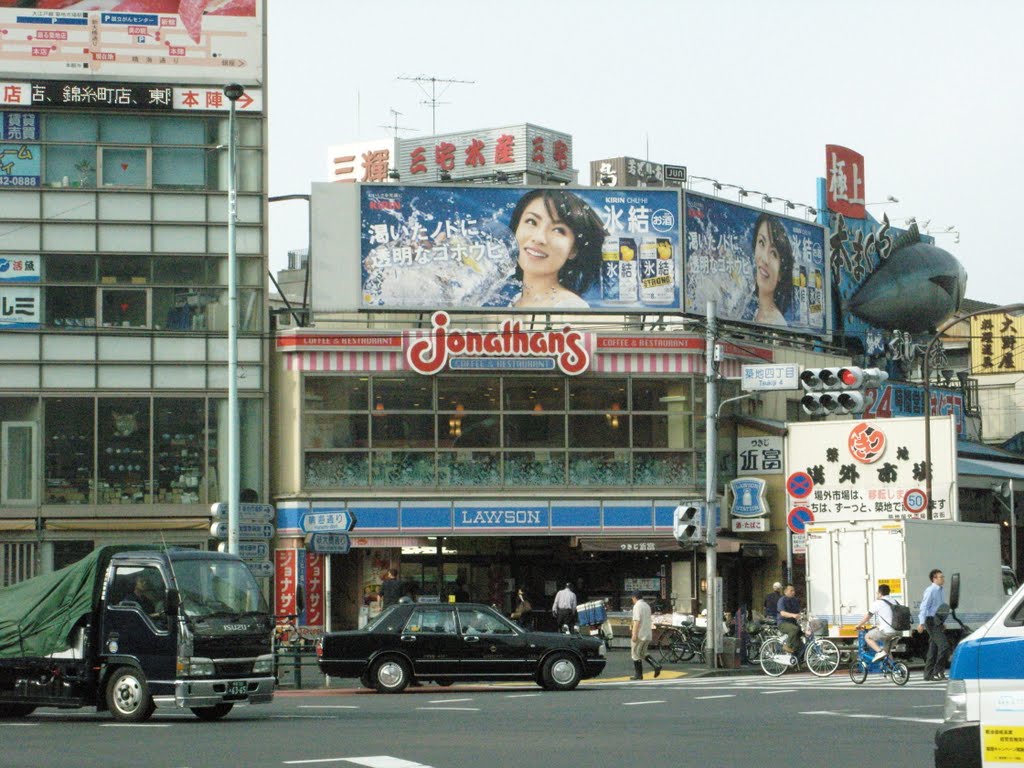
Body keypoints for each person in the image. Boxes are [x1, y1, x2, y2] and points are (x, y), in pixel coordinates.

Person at [508, 189, 605, 309]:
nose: (539, 238)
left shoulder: (570, 306)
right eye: (531, 221)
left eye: (558, 230)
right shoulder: (516, 300)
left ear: (573, 250)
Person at [744, 213, 794, 326]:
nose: (765, 258)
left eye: (774, 254)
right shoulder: (753, 309)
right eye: (761, 242)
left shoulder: (777, 323)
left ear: (781, 272)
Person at [918, 568, 951, 681]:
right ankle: (938, 671)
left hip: (937, 620)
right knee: (944, 646)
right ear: (934, 579)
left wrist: (943, 622)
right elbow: (924, 607)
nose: (943, 579)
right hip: (930, 621)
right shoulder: (931, 590)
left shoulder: (941, 590)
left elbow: (940, 608)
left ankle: (928, 675)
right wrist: (921, 623)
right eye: (940, 577)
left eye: (943, 577)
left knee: (933, 648)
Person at [855, 584, 900, 662]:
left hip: (887, 632)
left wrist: (858, 625)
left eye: (877, 592)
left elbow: (868, 616)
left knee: (867, 637)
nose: (876, 594)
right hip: (898, 632)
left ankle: (880, 652)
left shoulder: (878, 603)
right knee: (887, 651)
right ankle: (895, 670)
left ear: (880, 593)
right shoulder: (895, 601)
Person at [629, 592, 662, 680]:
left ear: (634, 598)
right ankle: (656, 665)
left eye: (632, 598)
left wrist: (634, 634)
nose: (632, 600)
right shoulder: (647, 606)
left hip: (640, 634)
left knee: (635, 654)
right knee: (642, 653)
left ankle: (638, 674)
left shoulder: (637, 606)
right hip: (647, 633)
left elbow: (636, 621)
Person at [777, 583, 802, 654]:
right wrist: (793, 615)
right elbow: (782, 613)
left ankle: (796, 657)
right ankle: (787, 646)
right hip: (783, 623)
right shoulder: (782, 600)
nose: (793, 592)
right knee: (794, 629)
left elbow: (798, 612)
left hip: (792, 623)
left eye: (794, 590)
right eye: (791, 591)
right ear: (785, 591)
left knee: (801, 632)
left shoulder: (795, 600)